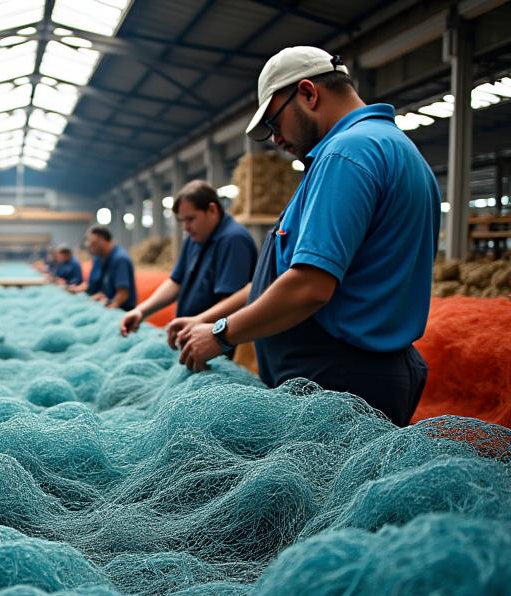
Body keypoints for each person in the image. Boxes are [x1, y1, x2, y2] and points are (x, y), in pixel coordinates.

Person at [172, 46, 438, 427]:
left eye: (275, 124)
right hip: (360, 374)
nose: (277, 140)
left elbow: (309, 287)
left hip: (337, 383)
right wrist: (207, 319)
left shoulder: (346, 155)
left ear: (309, 94)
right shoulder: (395, 150)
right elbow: (284, 279)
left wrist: (221, 335)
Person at [120, 181, 256, 351]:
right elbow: (176, 282)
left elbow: (235, 299)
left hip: (217, 344)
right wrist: (141, 311)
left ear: (212, 210)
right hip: (192, 335)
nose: (186, 227)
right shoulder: (195, 238)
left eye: (191, 219)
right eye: (182, 221)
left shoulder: (233, 240)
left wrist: (199, 320)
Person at [86, 226, 136, 311]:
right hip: (108, 304)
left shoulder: (120, 259)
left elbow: (123, 294)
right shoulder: (102, 258)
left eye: (93, 244)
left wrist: (109, 309)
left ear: (102, 240)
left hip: (121, 311)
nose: (90, 247)